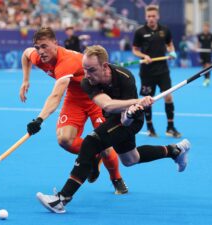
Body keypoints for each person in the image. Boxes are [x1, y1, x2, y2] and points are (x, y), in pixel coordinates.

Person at [36, 45, 191, 214]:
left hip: (133, 120)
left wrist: (133, 110)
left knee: (91, 142)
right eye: (85, 69)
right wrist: (135, 101)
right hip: (114, 115)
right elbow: (107, 105)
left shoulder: (125, 78)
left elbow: (126, 121)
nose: (87, 74)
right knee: (131, 159)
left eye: (92, 70)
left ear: (105, 66)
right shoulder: (86, 82)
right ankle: (174, 151)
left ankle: (62, 198)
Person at [20, 27, 128, 194]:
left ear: (55, 43)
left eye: (44, 46)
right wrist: (25, 80)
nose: (40, 51)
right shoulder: (37, 56)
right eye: (37, 47)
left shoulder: (67, 62)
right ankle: (94, 155)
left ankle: (116, 179)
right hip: (75, 99)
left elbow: (56, 95)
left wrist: (39, 119)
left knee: (106, 146)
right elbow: (26, 54)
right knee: (64, 139)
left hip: (97, 98)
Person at [132, 4, 181, 138]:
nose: (151, 18)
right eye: (149, 16)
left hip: (163, 70)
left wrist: (172, 52)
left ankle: (170, 127)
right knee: (148, 100)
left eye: (153, 16)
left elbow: (170, 44)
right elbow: (135, 49)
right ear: (146, 17)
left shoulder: (165, 30)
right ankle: (150, 127)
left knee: (169, 96)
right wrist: (144, 56)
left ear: (158, 16)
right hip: (147, 72)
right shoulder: (140, 32)